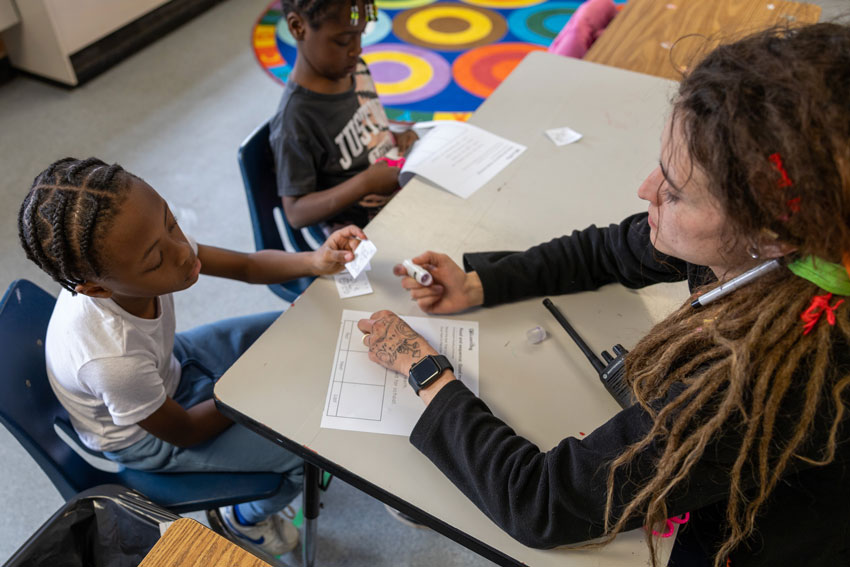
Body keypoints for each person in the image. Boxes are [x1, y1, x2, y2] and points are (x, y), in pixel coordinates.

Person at [356, 23, 850, 567]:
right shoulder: (785, 238)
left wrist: (426, 372)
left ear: (771, 236)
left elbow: (542, 503)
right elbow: (613, 249)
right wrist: (482, 281)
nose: (646, 190)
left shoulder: (770, 374)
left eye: (676, 190)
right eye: (662, 165)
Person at [17, 157, 367, 559]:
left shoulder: (148, 243)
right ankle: (244, 519)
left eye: (171, 222)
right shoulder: (112, 359)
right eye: (155, 259)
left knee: (293, 328)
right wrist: (251, 382)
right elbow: (184, 432)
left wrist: (313, 261)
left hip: (170, 364)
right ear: (96, 290)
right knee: (301, 455)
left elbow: (248, 265)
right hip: (148, 436)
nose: (182, 252)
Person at [271, 0, 418, 232]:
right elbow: (296, 213)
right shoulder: (295, 121)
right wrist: (365, 183)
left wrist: (394, 136)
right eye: (343, 40)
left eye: (360, 34)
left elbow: (366, 126)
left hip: (399, 200)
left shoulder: (356, 69)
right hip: (363, 234)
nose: (357, 49)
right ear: (298, 27)